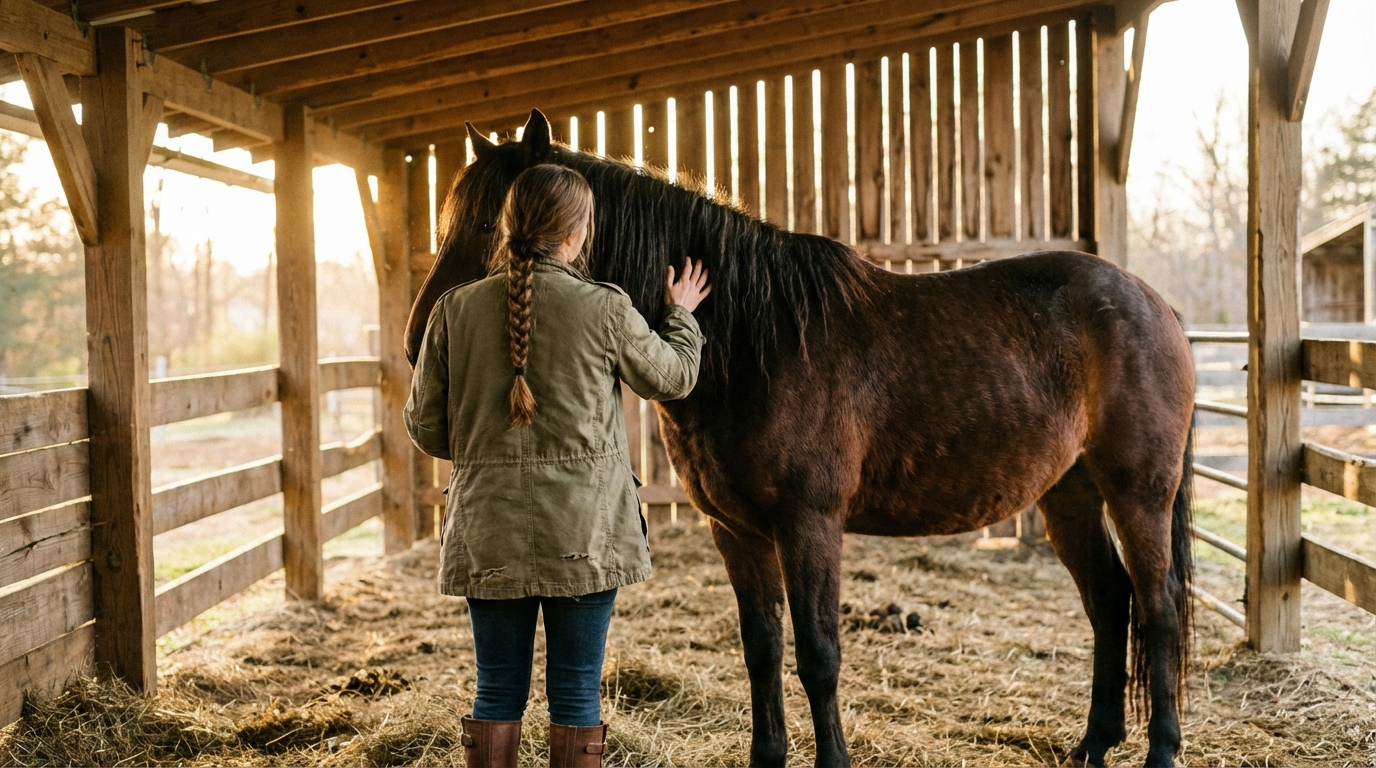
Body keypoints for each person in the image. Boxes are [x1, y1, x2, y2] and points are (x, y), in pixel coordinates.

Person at [404, 163, 710, 768]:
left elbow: (426, 427)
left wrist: (485, 451)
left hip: (487, 531)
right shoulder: (605, 308)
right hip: (584, 535)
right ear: (576, 232)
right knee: (575, 693)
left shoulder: (453, 310)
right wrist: (681, 315)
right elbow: (674, 378)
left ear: (508, 227)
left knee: (495, 688)